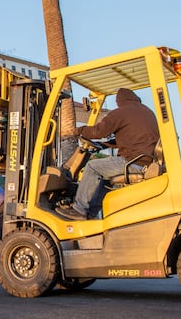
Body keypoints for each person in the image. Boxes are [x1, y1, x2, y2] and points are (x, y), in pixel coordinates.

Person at [57, 88, 159, 220]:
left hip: (132, 162)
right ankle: (91, 214)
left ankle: (79, 209)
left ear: (119, 100)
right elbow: (130, 138)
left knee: (92, 167)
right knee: (105, 178)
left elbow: (98, 132)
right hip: (146, 161)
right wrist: (104, 145)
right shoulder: (146, 112)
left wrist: (79, 130)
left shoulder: (121, 112)